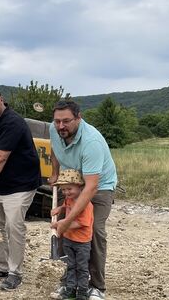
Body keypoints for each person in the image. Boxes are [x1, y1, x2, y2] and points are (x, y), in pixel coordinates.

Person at [48, 100, 117, 300]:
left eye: (67, 121)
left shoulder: (91, 142)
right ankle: (69, 281)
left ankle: (96, 286)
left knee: (92, 230)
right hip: (71, 181)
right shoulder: (55, 129)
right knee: (62, 230)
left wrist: (69, 221)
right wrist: (54, 172)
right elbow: (54, 148)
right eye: (57, 121)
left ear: (79, 118)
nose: (61, 126)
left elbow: (91, 187)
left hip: (97, 186)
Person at [0, 88, 41, 291]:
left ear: (1, 100)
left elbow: (1, 157)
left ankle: (15, 272)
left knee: (13, 227)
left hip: (20, 185)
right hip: (1, 184)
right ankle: (1, 266)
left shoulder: (12, 122)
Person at [51, 169, 94, 300]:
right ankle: (70, 289)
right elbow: (66, 205)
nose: (66, 192)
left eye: (69, 189)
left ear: (80, 187)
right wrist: (60, 208)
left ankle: (82, 291)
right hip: (69, 239)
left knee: (81, 267)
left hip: (82, 242)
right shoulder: (69, 199)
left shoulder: (85, 204)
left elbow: (82, 223)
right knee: (70, 265)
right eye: (63, 190)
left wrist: (61, 224)